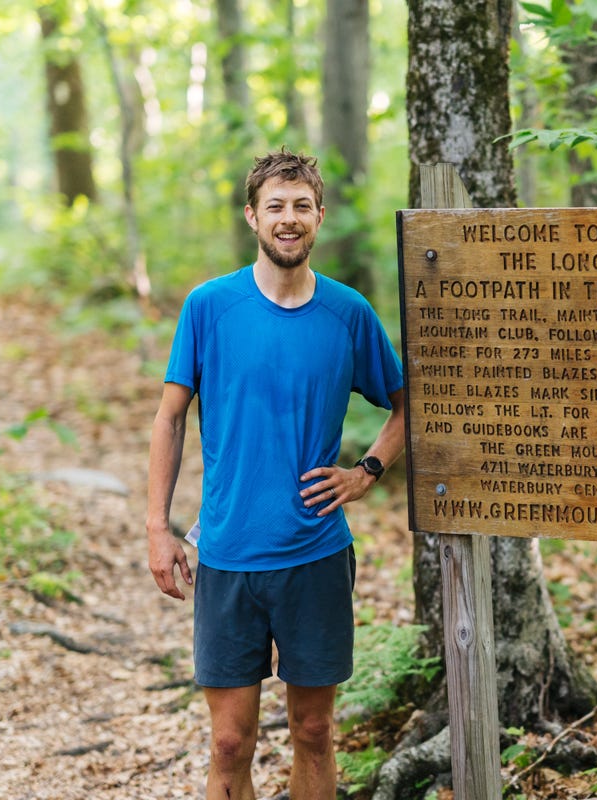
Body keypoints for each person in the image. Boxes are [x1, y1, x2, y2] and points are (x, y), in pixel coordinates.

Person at [146, 147, 406, 800]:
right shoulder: (210, 307)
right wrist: (158, 528)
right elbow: (170, 419)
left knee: (314, 731)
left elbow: (412, 403)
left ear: (319, 216)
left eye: (300, 207)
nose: (288, 220)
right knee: (230, 741)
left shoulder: (348, 314)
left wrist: (368, 470)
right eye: (275, 208)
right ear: (252, 217)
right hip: (229, 555)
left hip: (315, 554)